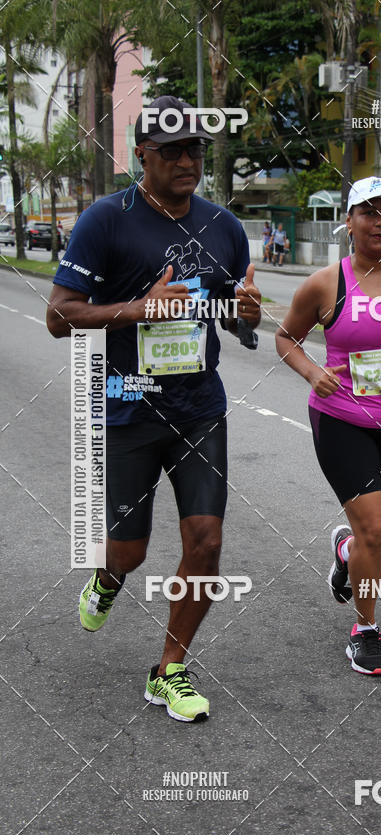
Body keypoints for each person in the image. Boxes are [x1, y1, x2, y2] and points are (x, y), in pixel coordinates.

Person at [46, 95, 261, 721]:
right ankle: (107, 582)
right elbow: (59, 315)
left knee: (207, 540)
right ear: (141, 153)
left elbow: (234, 314)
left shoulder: (224, 226)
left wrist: (245, 317)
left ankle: (170, 668)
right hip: (126, 409)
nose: (188, 161)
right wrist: (138, 308)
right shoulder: (106, 221)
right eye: (172, 151)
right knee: (129, 552)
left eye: (195, 149)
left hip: (199, 409)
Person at [275, 176, 381, 676]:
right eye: (370, 212)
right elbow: (286, 338)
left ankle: (345, 550)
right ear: (348, 222)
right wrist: (312, 372)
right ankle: (365, 630)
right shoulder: (327, 284)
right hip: (342, 418)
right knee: (375, 528)